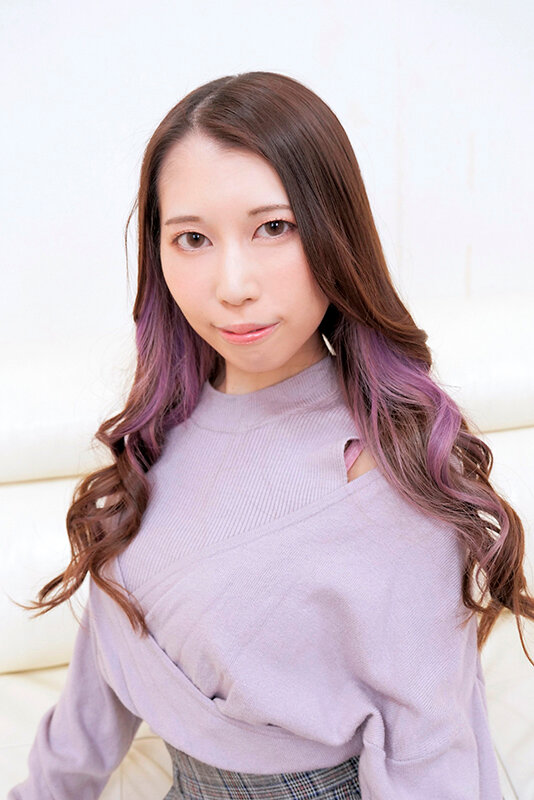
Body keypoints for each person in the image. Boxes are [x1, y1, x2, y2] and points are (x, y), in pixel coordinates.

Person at [8, 70, 531, 800]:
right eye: (192, 238)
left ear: (335, 232)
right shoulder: (157, 439)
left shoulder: (382, 470)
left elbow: (427, 753)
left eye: (274, 228)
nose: (233, 285)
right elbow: (91, 707)